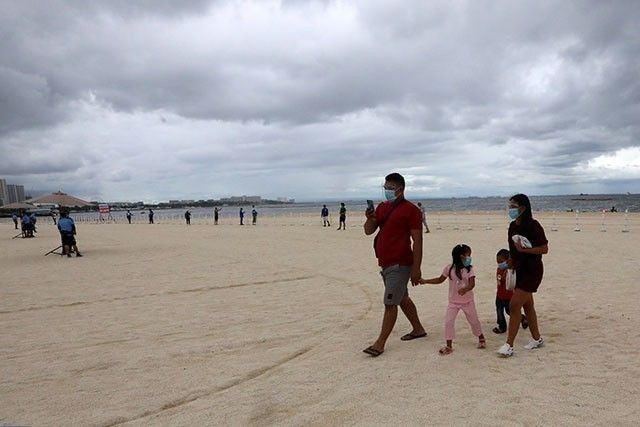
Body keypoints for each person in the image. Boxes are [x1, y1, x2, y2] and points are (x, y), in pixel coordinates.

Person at [362, 172, 426, 357]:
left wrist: (416, 268)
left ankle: (380, 343)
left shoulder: (411, 210)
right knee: (402, 297)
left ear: (401, 189)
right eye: (385, 188)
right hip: (385, 263)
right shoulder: (382, 207)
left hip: (401, 263)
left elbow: (418, 240)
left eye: (390, 188)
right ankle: (418, 329)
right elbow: (368, 231)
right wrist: (370, 218)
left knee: (390, 302)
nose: (387, 191)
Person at [497, 193, 548, 357]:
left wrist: (525, 250)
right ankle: (537, 339)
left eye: (513, 206)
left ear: (523, 208)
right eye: (509, 206)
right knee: (528, 305)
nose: (510, 209)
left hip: (532, 271)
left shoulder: (534, 226)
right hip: (518, 270)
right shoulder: (512, 226)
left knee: (514, 305)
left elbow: (544, 248)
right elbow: (513, 250)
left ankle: (509, 345)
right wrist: (509, 263)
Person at [420, 244, 486, 355]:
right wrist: (425, 281)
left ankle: (481, 337)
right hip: (453, 302)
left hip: (467, 301)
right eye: (468, 255)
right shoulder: (449, 268)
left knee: (474, 321)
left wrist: (465, 289)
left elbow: (472, 284)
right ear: (461, 257)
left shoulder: (469, 269)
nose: (470, 258)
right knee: (448, 322)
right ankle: (449, 345)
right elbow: (440, 279)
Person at [493, 249, 528, 334]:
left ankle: (522, 318)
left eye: (501, 261)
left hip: (509, 297)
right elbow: (499, 281)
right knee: (499, 311)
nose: (499, 264)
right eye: (498, 262)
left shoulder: (512, 271)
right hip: (500, 295)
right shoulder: (499, 269)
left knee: (510, 312)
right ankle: (502, 326)